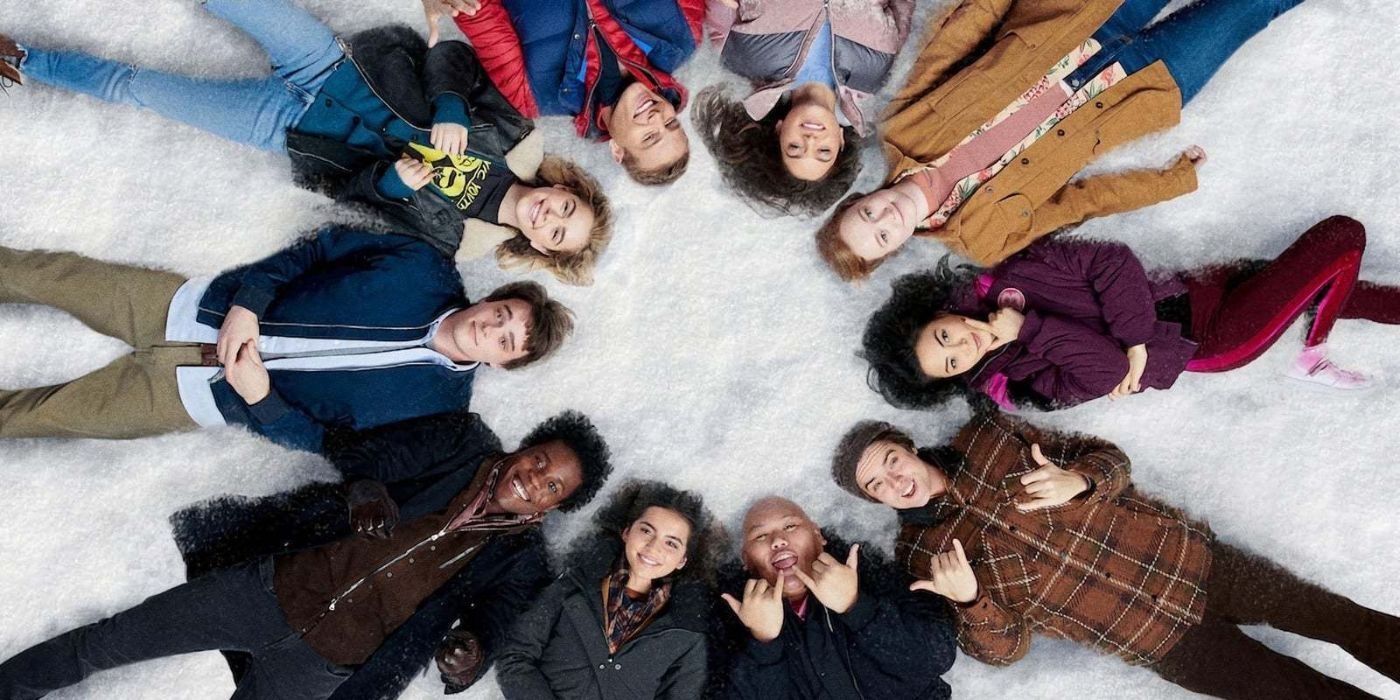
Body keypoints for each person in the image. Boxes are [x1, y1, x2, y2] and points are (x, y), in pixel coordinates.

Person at [0, 410, 615, 700]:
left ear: (553, 508)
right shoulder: (462, 441)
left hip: (325, 670)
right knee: (107, 642)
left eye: (553, 485)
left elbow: (493, 623)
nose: (536, 478)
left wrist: (467, 654)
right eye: (540, 460)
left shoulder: (524, 561)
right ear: (525, 447)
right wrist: (367, 491)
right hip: (267, 590)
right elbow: (369, 455)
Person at [0, 0, 612, 285]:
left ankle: (25, 62)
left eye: (557, 232)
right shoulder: (513, 135)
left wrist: (391, 183)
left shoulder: (452, 240)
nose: (550, 215)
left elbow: (354, 200)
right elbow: (450, 55)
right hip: (333, 64)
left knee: (139, 89)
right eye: (565, 207)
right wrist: (450, 106)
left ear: (539, 247)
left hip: (290, 131)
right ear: (563, 187)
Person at [829, 412, 1400, 698]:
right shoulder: (920, 560)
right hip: (1157, 641)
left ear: (905, 445)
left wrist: (1078, 481)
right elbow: (1005, 651)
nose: (893, 480)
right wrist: (974, 601)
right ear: (875, 501)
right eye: (875, 484)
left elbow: (1109, 459)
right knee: (1295, 694)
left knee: (1344, 619)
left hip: (1195, 563)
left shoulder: (988, 437)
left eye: (889, 460)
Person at [815, 0, 1307, 281]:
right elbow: (1079, 203)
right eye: (882, 236)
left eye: (868, 214)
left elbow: (952, 45)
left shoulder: (902, 127)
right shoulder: (984, 239)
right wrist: (1169, 182)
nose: (886, 218)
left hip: (1074, 19)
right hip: (1136, 89)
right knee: (1254, 5)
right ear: (898, 247)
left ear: (863, 197)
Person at [0, 226, 574, 452]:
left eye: (507, 342)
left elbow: (331, 446)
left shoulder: (437, 412)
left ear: (503, 365)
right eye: (503, 314)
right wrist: (248, 304)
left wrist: (259, 400)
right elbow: (319, 249)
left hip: (197, 396)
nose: (493, 329)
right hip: (188, 309)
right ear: (492, 299)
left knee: (37, 416)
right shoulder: (422, 267)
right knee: (44, 274)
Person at [861, 216, 1400, 411]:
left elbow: (1111, 261)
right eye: (953, 363)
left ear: (940, 314)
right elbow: (1108, 373)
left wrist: (1134, 339)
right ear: (957, 381)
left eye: (946, 336)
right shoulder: (1019, 383)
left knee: (1338, 290)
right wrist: (1029, 330)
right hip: (1213, 339)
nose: (965, 347)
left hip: (1198, 286)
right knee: (1342, 240)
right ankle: (1312, 354)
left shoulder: (1011, 275)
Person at [710, 496, 955, 699]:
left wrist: (857, 607)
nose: (778, 541)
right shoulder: (731, 618)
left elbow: (938, 656)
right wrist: (764, 644)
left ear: (819, 535)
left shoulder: (867, 573)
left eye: (790, 526)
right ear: (746, 559)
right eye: (760, 536)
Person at [496, 480, 721, 699]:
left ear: (683, 560)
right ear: (626, 532)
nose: (653, 547)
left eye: (671, 543)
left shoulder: (687, 635)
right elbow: (515, 656)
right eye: (646, 531)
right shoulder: (572, 585)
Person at [445, 0, 704, 186]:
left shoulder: (533, 94)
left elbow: (476, 11)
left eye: (649, 137)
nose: (658, 117)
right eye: (671, 123)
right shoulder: (683, 35)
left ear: (617, 150)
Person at [693, 0, 914, 216]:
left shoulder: (744, 59)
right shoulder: (872, 74)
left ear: (779, 131)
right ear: (841, 141)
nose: (810, 140)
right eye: (824, 152)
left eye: (795, 147)